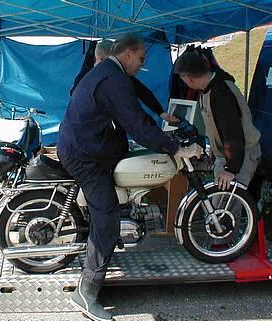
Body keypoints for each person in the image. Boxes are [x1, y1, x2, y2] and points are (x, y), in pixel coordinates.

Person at [57, 33, 202, 321]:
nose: (142, 65)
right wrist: (175, 148)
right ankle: (85, 293)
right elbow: (135, 122)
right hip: (84, 155)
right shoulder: (113, 78)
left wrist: (159, 121)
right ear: (128, 54)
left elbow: (138, 104)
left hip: (89, 146)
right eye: (141, 59)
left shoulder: (112, 73)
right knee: (107, 218)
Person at [174, 51, 262, 191]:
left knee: (227, 206)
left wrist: (231, 170)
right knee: (219, 206)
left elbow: (232, 133)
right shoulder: (207, 89)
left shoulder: (221, 93)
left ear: (188, 78)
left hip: (240, 155)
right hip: (227, 156)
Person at [71, 39, 179, 125]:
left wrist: (160, 112)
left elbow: (141, 90)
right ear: (100, 59)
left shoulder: (118, 74)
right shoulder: (87, 78)